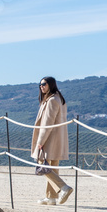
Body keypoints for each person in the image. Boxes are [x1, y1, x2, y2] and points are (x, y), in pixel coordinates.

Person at [31, 76, 73, 205]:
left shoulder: (52, 100)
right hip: (57, 139)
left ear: (51, 85)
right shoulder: (58, 99)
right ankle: (51, 197)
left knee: (42, 165)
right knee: (53, 167)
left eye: (44, 84)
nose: (41, 86)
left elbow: (47, 123)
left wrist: (40, 141)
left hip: (50, 139)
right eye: (40, 84)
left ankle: (63, 187)